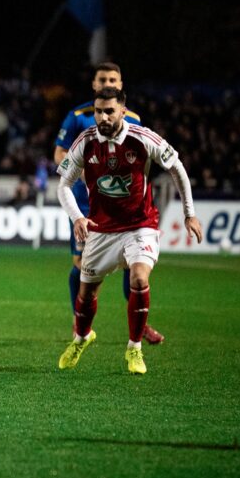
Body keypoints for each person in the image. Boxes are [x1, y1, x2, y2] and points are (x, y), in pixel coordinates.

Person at [56, 87, 203, 375]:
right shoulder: (85, 141)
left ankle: (134, 348)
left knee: (138, 277)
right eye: (98, 111)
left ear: (123, 111)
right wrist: (77, 218)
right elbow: (63, 185)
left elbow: (177, 168)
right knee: (86, 294)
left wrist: (189, 214)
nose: (103, 116)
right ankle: (82, 338)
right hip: (101, 229)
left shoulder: (142, 137)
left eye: (109, 111)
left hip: (140, 225)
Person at [53, 61, 165, 345]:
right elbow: (60, 155)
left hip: (126, 208)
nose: (109, 83)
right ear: (93, 84)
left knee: (134, 266)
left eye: (114, 80)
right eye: (103, 79)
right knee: (82, 265)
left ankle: (140, 325)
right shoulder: (78, 116)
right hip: (86, 204)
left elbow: (144, 157)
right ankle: (78, 324)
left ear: (121, 84)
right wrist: (80, 173)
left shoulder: (134, 119)